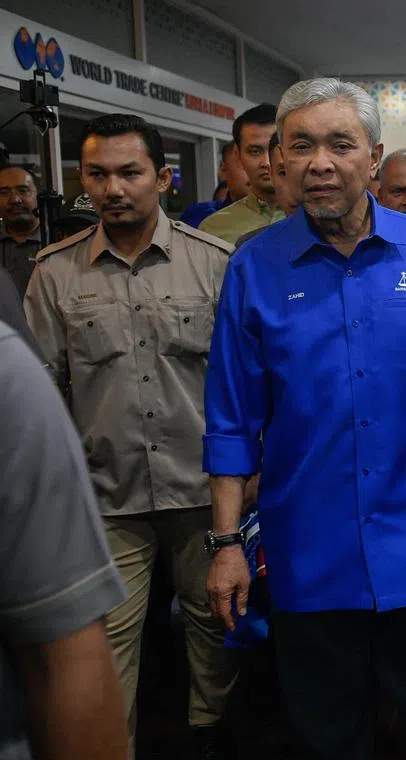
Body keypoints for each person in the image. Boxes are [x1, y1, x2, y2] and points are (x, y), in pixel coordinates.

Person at [203, 78, 406, 760]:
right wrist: (225, 545)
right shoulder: (252, 268)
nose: (319, 163)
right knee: (328, 731)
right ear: (277, 160)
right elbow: (232, 415)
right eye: (300, 146)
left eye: (340, 144)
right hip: (309, 547)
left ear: (374, 156)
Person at [22, 113, 238, 760]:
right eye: (97, 175)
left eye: (129, 172)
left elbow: (242, 387)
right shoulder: (54, 274)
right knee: (103, 645)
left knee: (214, 632)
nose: (112, 188)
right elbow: (42, 392)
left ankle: (211, 739)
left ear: (163, 179)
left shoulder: (214, 266)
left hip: (204, 489)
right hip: (104, 496)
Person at [0, 321, 131, 760]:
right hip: (109, 496)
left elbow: (62, 657)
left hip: (186, 491)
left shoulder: (6, 374)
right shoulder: (56, 276)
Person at [200, 105, 285, 243]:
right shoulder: (213, 229)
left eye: (274, 149)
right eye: (255, 151)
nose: (267, 162)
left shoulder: (318, 217)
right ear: (237, 156)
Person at [233, 133, 302, 249]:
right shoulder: (251, 251)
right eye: (283, 173)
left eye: (304, 171)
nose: (293, 186)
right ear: (272, 176)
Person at [181, 141, 250, 228]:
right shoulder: (198, 215)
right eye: (244, 164)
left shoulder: (271, 221)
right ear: (223, 168)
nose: (254, 171)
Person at [0, 165, 41, 296]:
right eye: (4, 193)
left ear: (37, 196)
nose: (15, 200)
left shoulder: (58, 241)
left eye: (23, 191)